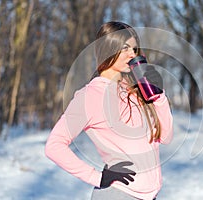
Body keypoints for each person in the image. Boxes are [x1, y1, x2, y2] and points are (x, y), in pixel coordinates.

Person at [45, 21, 173, 200]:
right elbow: (54, 146)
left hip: (150, 195)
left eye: (134, 49)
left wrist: (159, 97)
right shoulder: (90, 95)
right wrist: (97, 177)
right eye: (125, 48)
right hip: (119, 194)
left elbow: (165, 137)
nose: (132, 54)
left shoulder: (135, 90)